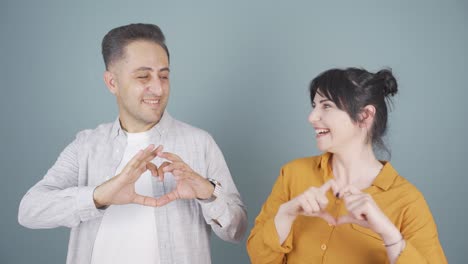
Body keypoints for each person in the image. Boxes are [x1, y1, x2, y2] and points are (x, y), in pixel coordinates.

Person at [18, 23, 247, 264]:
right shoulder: (86, 146)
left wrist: (207, 193)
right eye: (143, 76)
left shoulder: (200, 144)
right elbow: (29, 211)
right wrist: (101, 195)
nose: (158, 88)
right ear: (112, 83)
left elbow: (237, 230)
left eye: (164, 76)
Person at [246, 68, 447, 263]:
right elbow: (259, 258)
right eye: (314, 105)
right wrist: (286, 214)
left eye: (326, 106)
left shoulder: (408, 202)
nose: (312, 117)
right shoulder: (292, 174)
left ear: (364, 116)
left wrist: (389, 234)